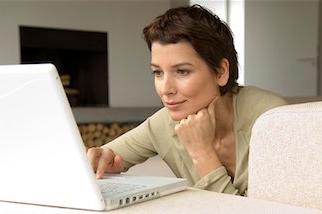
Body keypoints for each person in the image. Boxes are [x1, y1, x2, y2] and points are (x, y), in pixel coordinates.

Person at [87, 4, 286, 196]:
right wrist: (98, 161)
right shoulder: (164, 123)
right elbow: (103, 158)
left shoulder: (273, 121)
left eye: (182, 71)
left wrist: (202, 153)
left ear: (221, 72)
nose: (165, 89)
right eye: (157, 72)